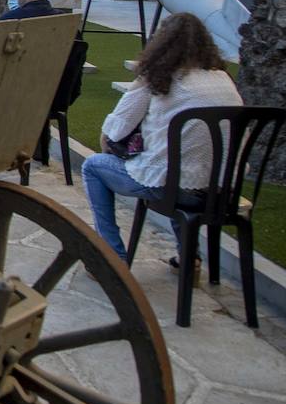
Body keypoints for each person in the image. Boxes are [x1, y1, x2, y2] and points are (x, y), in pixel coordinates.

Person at [83, 13, 242, 260]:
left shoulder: (159, 79)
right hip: (222, 189)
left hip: (174, 189)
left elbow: (113, 132)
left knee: (94, 166)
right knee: (179, 162)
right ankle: (189, 258)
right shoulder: (224, 79)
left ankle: (112, 257)